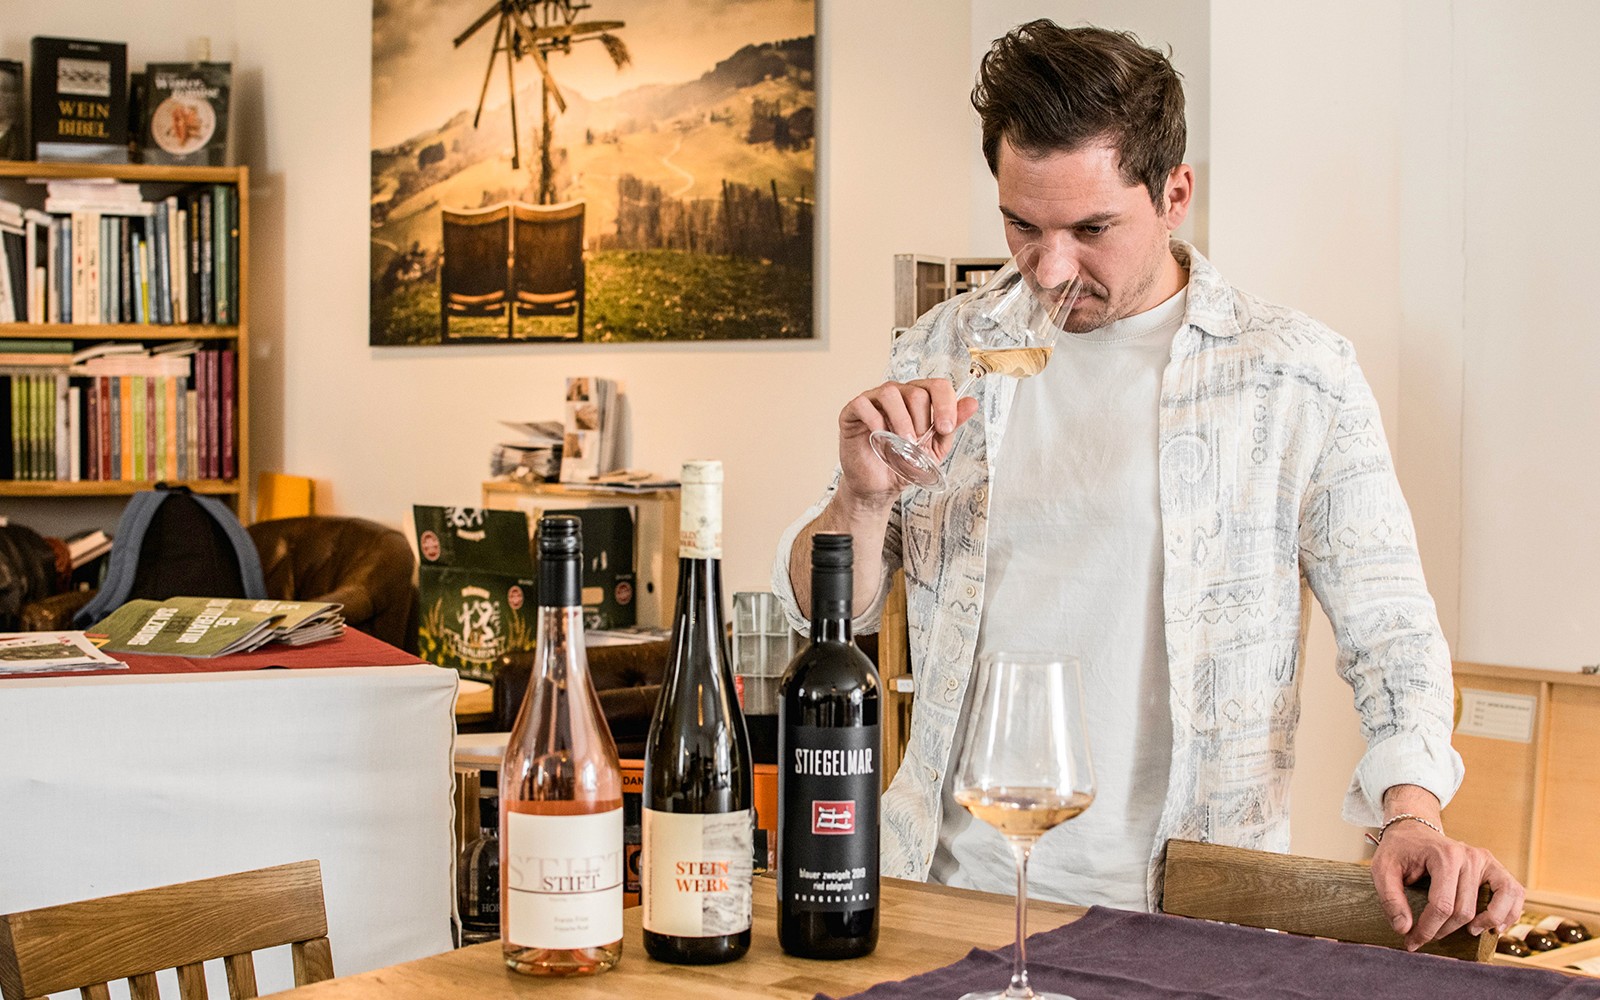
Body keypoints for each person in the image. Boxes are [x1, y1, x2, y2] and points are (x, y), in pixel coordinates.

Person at [771, 19, 1523, 949]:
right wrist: (861, 498)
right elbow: (818, 611)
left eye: (1092, 229)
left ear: (1174, 193)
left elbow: (1392, 629)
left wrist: (1412, 815)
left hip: (1188, 908)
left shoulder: (1294, 375)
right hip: (946, 889)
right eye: (1021, 225)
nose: (1050, 269)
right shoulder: (943, 349)